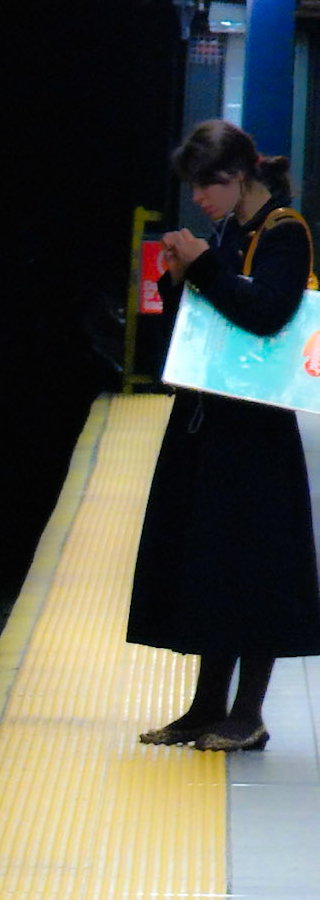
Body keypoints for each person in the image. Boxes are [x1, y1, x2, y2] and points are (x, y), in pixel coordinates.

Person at [129, 119, 320, 750]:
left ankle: (249, 712)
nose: (198, 199)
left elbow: (268, 313)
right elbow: (206, 306)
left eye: (205, 186)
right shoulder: (226, 231)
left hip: (256, 430)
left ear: (236, 176)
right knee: (211, 560)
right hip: (211, 420)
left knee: (256, 565)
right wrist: (179, 275)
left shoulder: (285, 232)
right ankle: (208, 705)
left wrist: (205, 266)